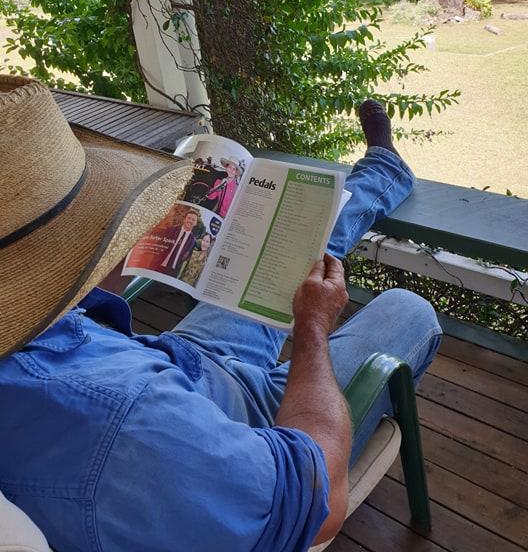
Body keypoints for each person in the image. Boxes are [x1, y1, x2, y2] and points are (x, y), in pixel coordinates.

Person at [0, 76, 442, 552]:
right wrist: (312, 328)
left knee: (296, 251)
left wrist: (135, 254)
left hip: (179, 365)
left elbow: (69, 337)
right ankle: (383, 170)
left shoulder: (20, 327)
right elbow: (315, 501)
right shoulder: (127, 433)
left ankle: (381, 171)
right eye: (86, 223)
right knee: (406, 309)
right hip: (251, 424)